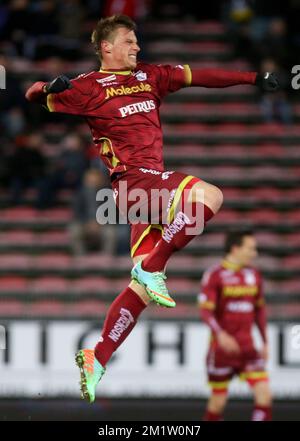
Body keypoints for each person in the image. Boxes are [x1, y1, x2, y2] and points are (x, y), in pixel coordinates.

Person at [25, 14, 279, 403]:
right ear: (106, 47)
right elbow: (31, 94)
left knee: (141, 293)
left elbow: (201, 76)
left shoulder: (151, 76)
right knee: (211, 196)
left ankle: (99, 356)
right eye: (129, 41)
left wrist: (252, 79)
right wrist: (47, 85)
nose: (137, 47)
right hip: (134, 184)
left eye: (137, 41)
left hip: (144, 198)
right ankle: (153, 265)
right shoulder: (88, 87)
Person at [199, 230, 272, 421]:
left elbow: (260, 311)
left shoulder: (254, 275)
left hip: (248, 347)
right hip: (222, 350)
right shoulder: (215, 275)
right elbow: (205, 311)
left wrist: (265, 341)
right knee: (218, 403)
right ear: (235, 248)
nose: (254, 254)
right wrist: (220, 334)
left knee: (264, 395)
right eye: (250, 249)